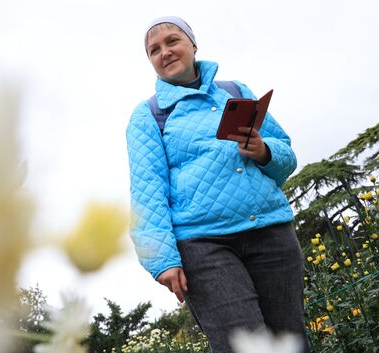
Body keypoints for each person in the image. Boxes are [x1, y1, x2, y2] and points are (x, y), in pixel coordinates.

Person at [126, 16, 309, 353]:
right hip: (204, 245)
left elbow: (286, 156)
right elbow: (146, 192)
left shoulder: (235, 92)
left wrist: (264, 150)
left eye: (172, 41)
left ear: (193, 45)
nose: (164, 52)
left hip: (271, 234)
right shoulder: (148, 116)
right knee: (242, 346)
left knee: (291, 342)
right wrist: (162, 260)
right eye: (154, 50)